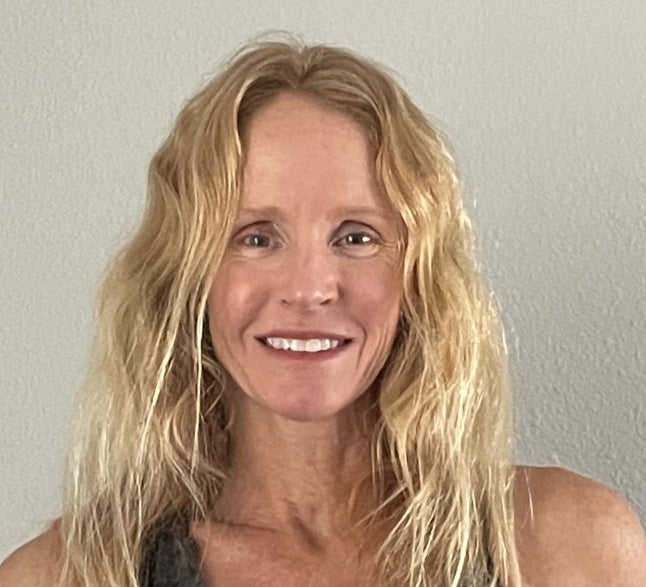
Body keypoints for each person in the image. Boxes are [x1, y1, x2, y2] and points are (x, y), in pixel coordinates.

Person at [2, 35, 645, 587]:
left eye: (356, 237)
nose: (309, 288)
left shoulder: (564, 548)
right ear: (185, 274)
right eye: (256, 237)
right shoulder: (71, 573)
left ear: (418, 275)